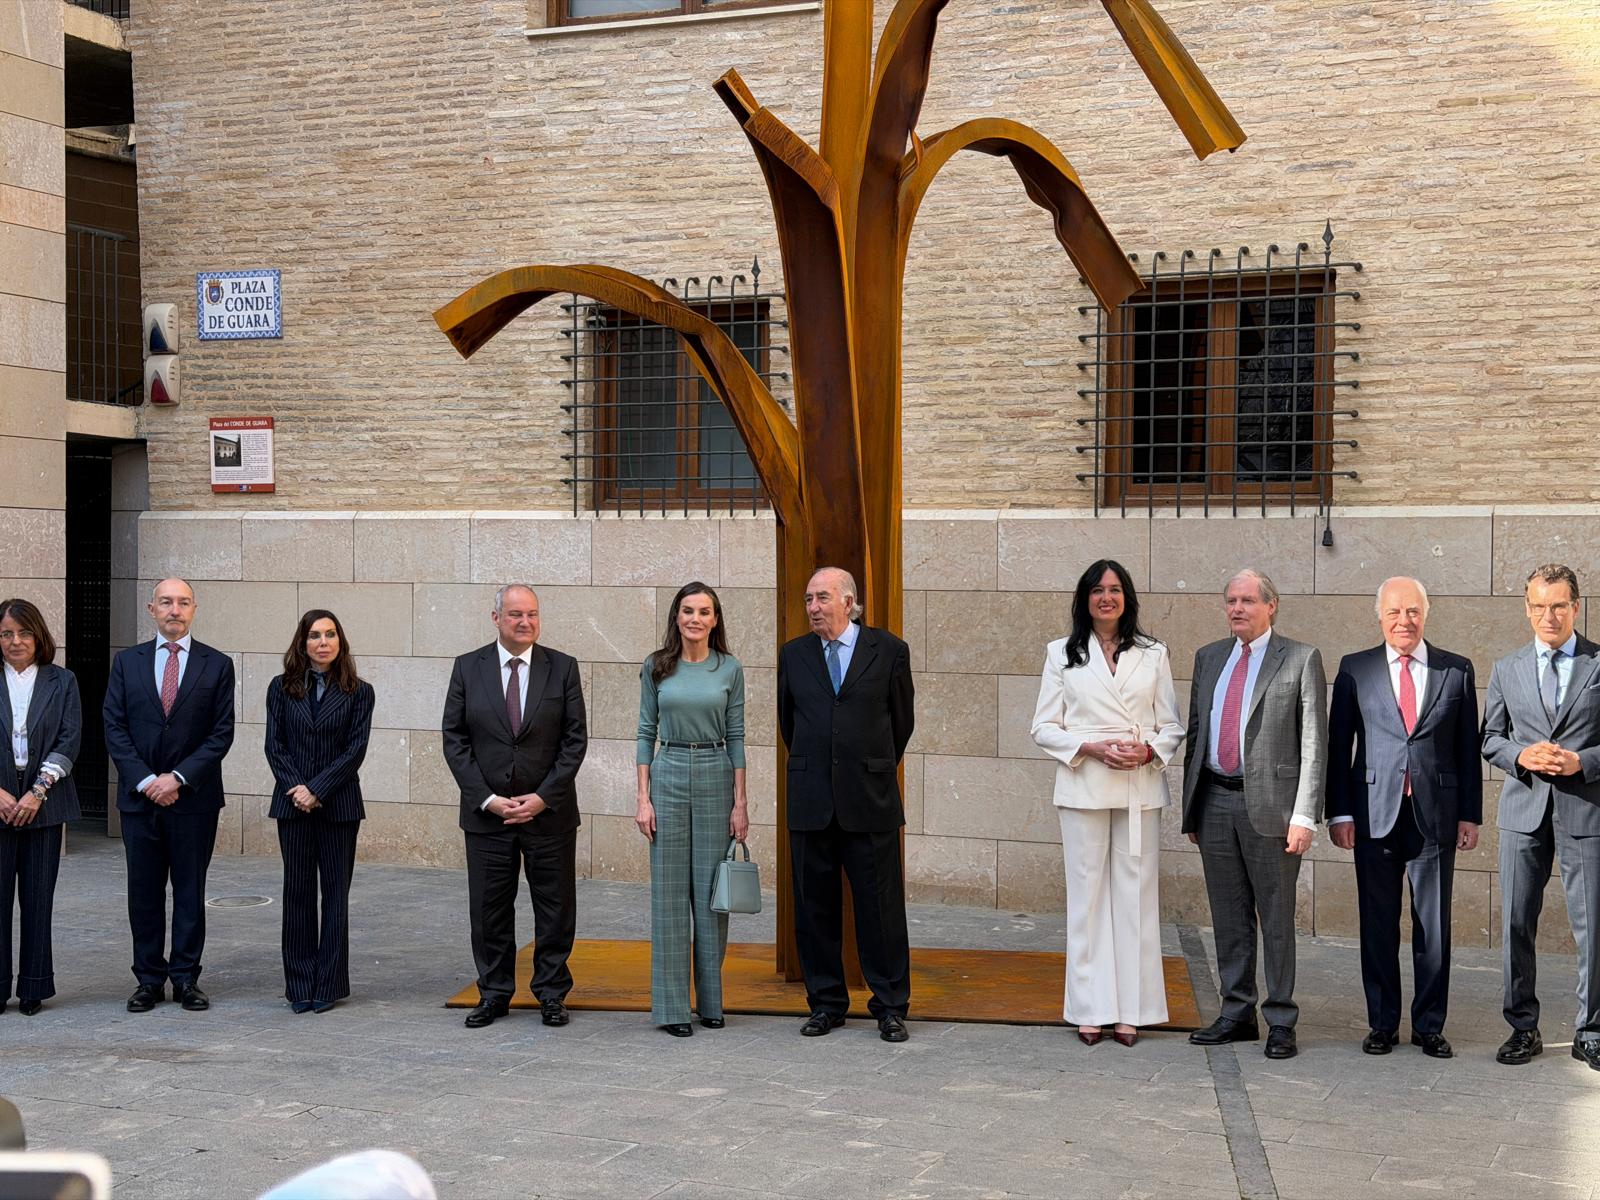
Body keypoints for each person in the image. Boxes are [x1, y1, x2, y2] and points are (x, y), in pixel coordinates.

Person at [1029, 561, 1183, 1048]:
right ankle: (1090, 1008)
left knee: (1136, 901)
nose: (1106, 598)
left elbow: (1172, 725)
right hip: (1084, 789)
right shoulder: (1061, 653)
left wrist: (1148, 751)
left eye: (1115, 590)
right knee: (1088, 899)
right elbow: (1043, 726)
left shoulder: (1154, 654)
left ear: (1127, 598)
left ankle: (1132, 1010)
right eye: (1097, 590)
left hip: (1138, 788)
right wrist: (1091, 748)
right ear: (1085, 598)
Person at [1326, 577, 1481, 1059]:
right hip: (1373, 815)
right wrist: (1340, 813)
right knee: (1378, 925)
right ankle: (1382, 1024)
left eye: (1412, 612)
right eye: (1394, 612)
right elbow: (1339, 748)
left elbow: (1466, 751)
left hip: (1436, 816)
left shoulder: (1456, 670)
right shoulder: (1356, 669)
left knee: (1433, 928)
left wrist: (1470, 815)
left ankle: (1429, 1025)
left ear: (1426, 614)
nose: (1404, 621)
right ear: (1379, 616)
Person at [1181, 568, 1327, 1060]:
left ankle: (1281, 1018)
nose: (1237, 609)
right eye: (1230, 601)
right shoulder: (1209, 658)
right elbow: (1196, 734)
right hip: (1216, 802)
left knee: (1276, 916)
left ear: (1272, 605)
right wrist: (1192, 808)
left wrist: (1305, 815)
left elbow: (1314, 744)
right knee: (1228, 915)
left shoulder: (1301, 659)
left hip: (1273, 811)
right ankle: (1236, 1012)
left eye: (1246, 601)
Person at [777, 566, 915, 1043]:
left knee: (880, 909)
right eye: (809, 599)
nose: (813, 607)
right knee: (814, 909)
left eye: (822, 598)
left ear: (850, 602)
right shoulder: (793, 655)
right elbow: (788, 724)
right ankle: (826, 1003)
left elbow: (901, 722)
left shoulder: (890, 650)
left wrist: (866, 765)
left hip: (870, 799)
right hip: (811, 799)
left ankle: (890, 1005)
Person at [443, 584, 587, 1029]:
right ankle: (494, 993)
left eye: (532, 614)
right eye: (515, 615)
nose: (525, 622)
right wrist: (486, 799)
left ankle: (551, 993)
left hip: (549, 814)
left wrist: (543, 797)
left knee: (555, 908)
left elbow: (574, 740)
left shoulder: (562, 668)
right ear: (496, 618)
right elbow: (454, 738)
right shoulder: (468, 668)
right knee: (488, 910)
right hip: (488, 816)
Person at [1482, 563, 1600, 1072]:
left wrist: (1584, 761)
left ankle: (1591, 1030)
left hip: (1586, 810)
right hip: (1523, 811)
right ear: (1527, 609)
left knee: (1592, 926)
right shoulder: (1507, 668)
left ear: (1576, 607)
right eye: (1538, 606)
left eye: (1558, 605)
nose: (1547, 615)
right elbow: (1490, 738)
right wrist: (1520, 756)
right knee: (1515, 922)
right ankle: (1521, 1027)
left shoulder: (1599, 664)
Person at [103, 578, 235, 1013]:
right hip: (140, 801)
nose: (174, 610)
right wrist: (146, 781)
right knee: (143, 893)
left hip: (193, 800)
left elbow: (220, 734)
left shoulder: (217, 665)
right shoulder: (127, 663)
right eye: (166, 602)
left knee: (190, 891)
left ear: (195, 609)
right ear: (151, 608)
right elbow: (115, 727)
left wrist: (176, 778)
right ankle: (147, 980)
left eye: (182, 603)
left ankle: (185, 978)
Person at [634, 582, 750, 1037]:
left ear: (715, 619)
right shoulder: (656, 667)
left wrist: (740, 802)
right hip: (670, 769)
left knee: (710, 895)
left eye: (704, 611)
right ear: (676, 617)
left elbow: (738, 735)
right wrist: (642, 798)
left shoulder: (731, 669)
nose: (695, 618)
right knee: (668, 897)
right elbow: (646, 732)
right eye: (687, 610)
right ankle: (672, 1008)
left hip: (717, 771)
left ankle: (711, 1001)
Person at [264, 610, 375, 1014]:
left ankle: (328, 982)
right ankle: (299, 984)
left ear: (340, 642)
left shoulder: (360, 692)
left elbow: (354, 752)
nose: (323, 642)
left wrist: (317, 790)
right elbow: (273, 745)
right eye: (314, 635)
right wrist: (298, 790)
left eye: (330, 635)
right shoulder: (280, 688)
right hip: (292, 805)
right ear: (302, 642)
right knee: (297, 894)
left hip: (338, 806)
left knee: (334, 896)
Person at [0, 599, 81, 1016]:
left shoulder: (62, 681)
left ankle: (34, 985)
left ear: (38, 636)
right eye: (7, 634)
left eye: (24, 632)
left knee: (37, 900)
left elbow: (69, 740)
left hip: (44, 807)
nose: (16, 641)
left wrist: (37, 791)